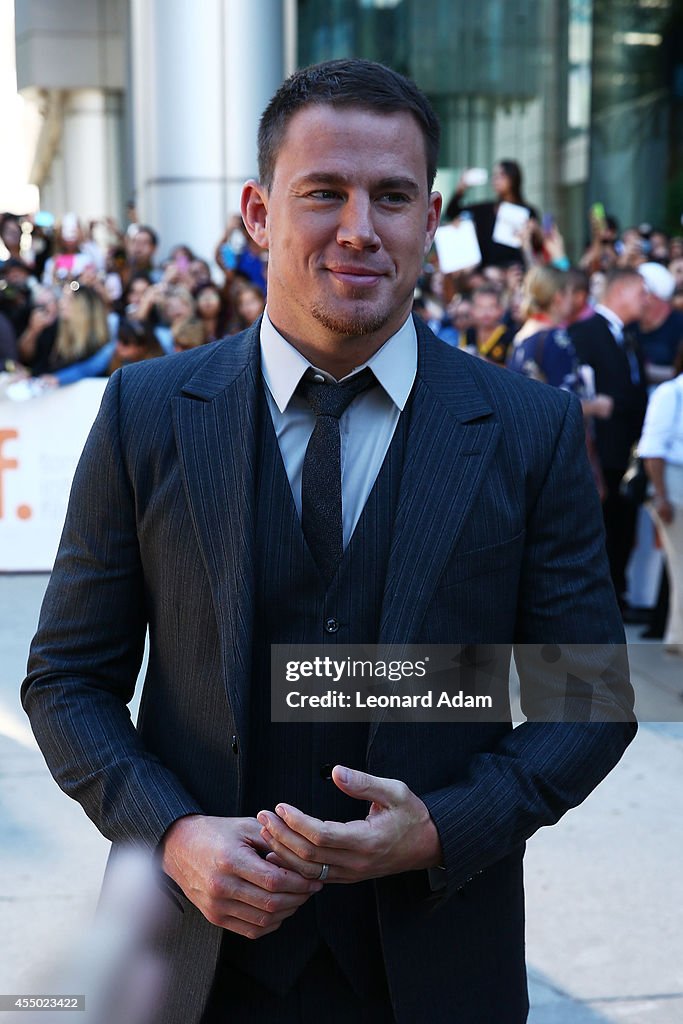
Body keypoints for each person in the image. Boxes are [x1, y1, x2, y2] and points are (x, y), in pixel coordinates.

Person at [23, 59, 635, 1024]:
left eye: (391, 196)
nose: (359, 228)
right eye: (324, 194)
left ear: (430, 222)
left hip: (434, 971)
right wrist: (174, 833)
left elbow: (586, 701)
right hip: (189, 969)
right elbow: (66, 679)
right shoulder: (147, 414)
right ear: (259, 214)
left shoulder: (527, 428)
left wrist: (439, 829)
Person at [569, 268, 649, 610]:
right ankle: (604, 597)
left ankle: (617, 590)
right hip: (599, 452)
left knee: (621, 526)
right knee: (604, 528)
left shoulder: (627, 334)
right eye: (641, 293)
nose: (646, 301)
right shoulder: (585, 332)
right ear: (621, 292)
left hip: (625, 452)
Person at [639, 342, 683, 654]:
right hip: (673, 485)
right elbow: (652, 450)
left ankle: (676, 638)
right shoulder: (671, 393)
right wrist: (661, 497)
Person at [445, 159, 539, 268]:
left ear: (513, 178)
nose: (496, 180)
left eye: (502, 175)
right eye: (494, 176)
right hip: (488, 275)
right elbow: (452, 212)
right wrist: (461, 188)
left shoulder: (528, 212)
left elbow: (537, 246)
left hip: (516, 272)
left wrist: (536, 231)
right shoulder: (486, 209)